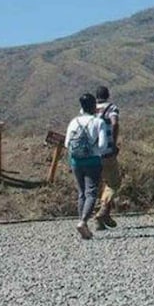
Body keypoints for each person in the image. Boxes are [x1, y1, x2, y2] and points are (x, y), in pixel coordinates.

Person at [64, 92, 110, 240]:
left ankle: (82, 223)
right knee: (91, 192)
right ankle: (83, 222)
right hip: (93, 162)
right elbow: (103, 145)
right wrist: (96, 151)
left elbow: (67, 144)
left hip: (76, 161)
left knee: (81, 193)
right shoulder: (98, 122)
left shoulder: (73, 122)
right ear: (94, 106)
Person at [94, 86, 121, 230]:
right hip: (107, 152)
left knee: (100, 185)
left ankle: (102, 218)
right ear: (108, 95)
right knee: (114, 183)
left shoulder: (89, 109)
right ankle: (103, 211)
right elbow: (115, 123)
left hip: (91, 154)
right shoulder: (111, 108)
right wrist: (114, 143)